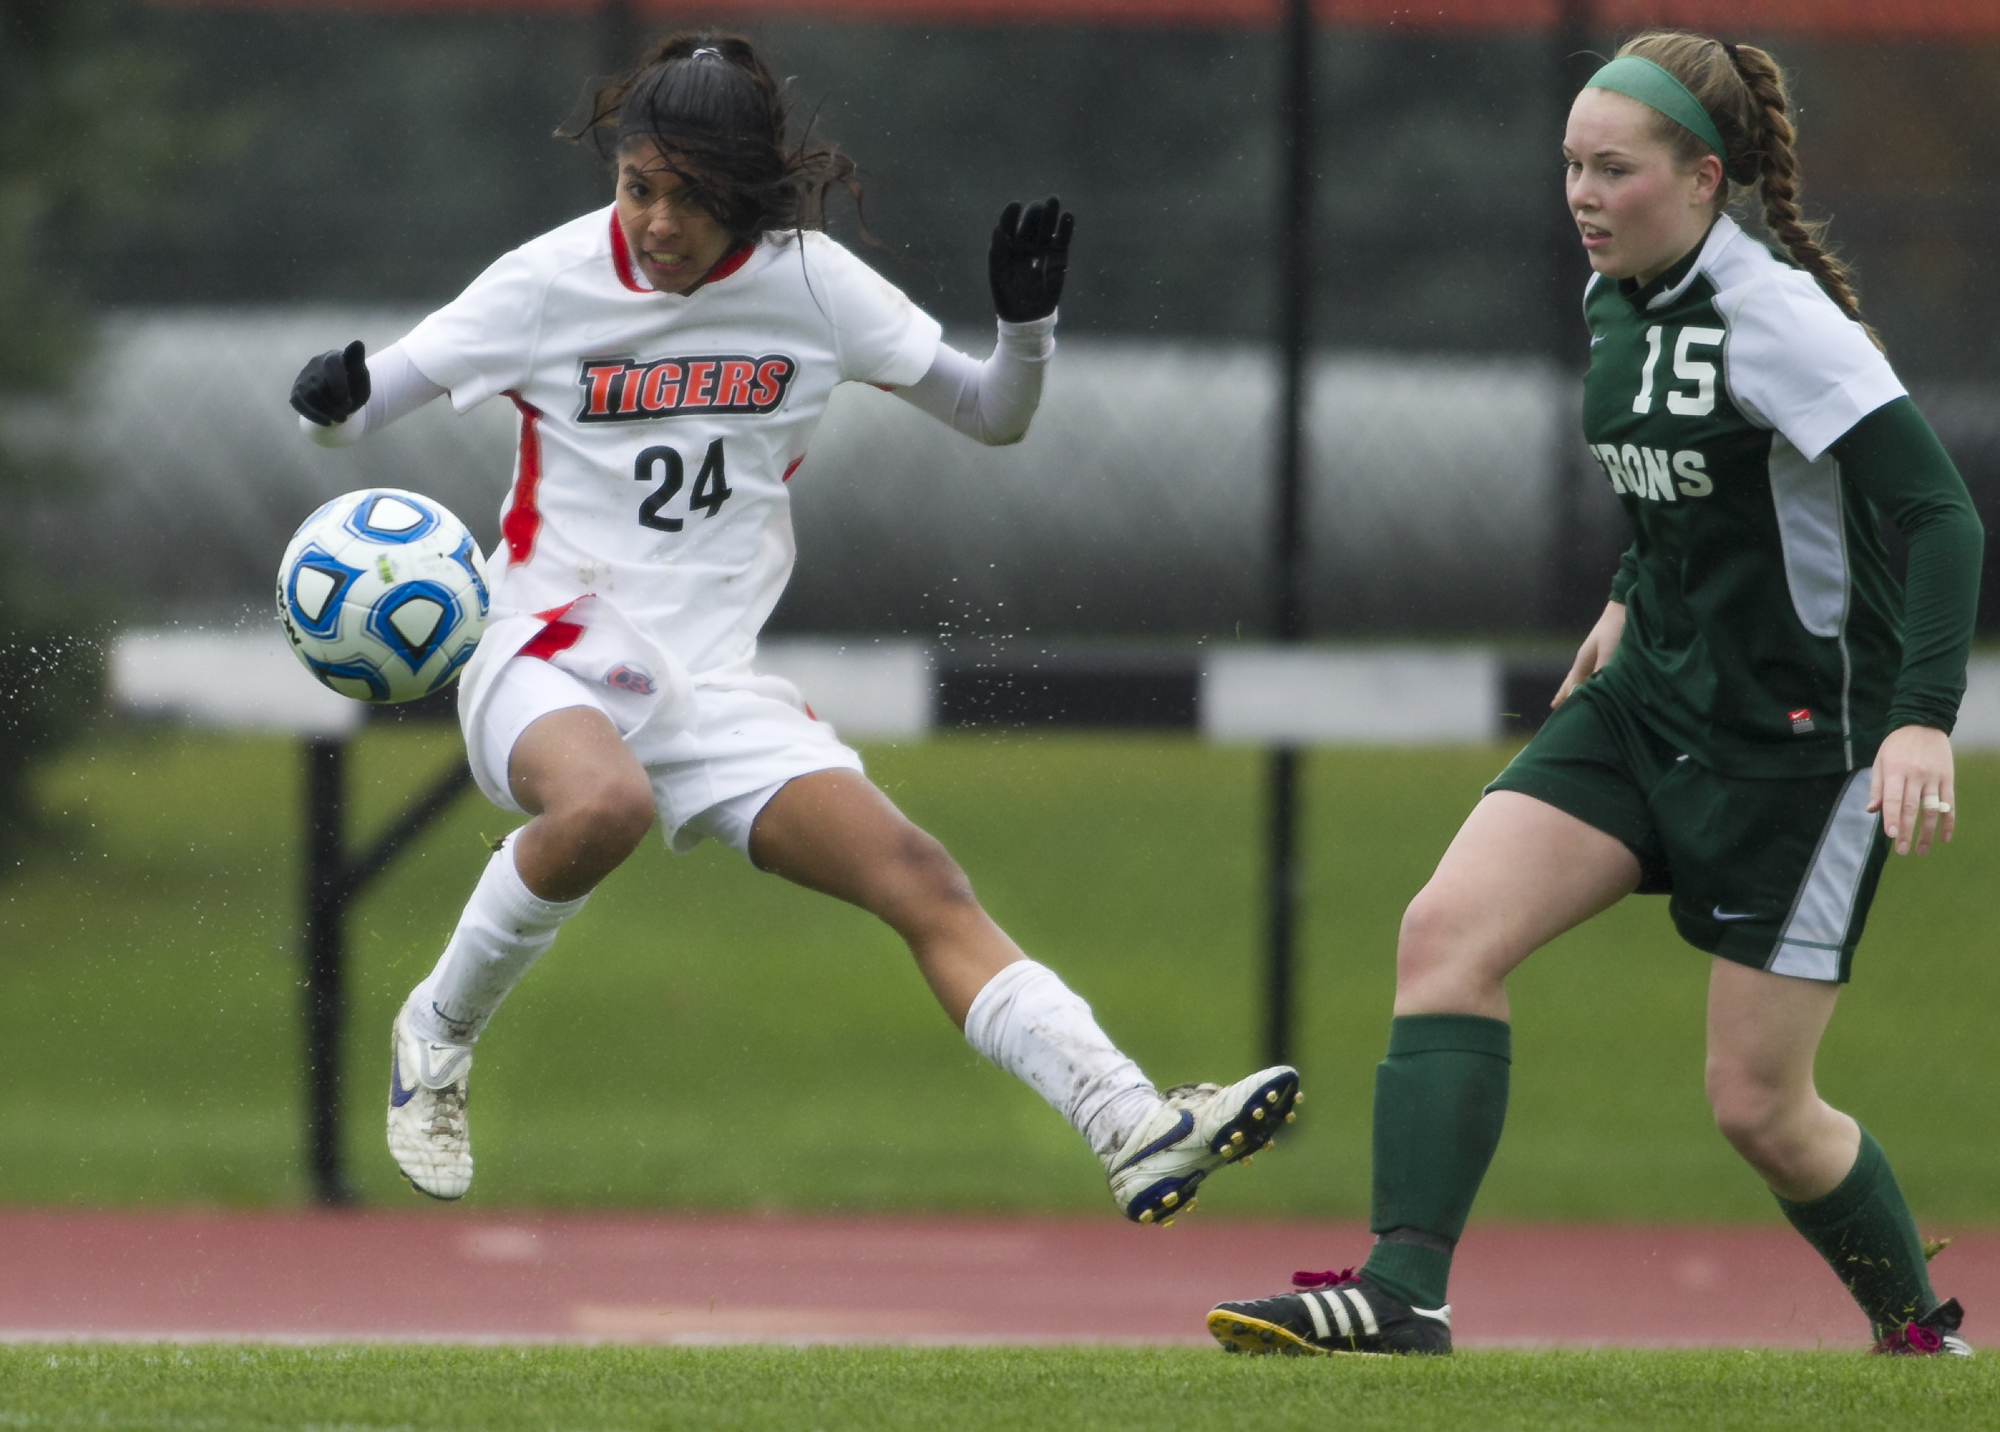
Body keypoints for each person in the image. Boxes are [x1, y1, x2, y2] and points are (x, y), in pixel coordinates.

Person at [288, 33, 1298, 1224]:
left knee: (919, 877)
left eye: (691, 197)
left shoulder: (813, 285)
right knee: (600, 807)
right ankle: (439, 1028)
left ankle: (1129, 1122)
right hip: (544, 638)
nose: (657, 221)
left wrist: (1026, 329)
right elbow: (356, 415)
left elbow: (990, 416)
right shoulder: (548, 280)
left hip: (708, 682)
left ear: (751, 199)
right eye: (636, 186)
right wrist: (331, 401)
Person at [1209, 30, 1981, 1356]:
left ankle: (1917, 1335)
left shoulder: (1775, 317)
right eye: (1568, 164)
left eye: (1611, 168)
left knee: (1758, 1105)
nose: (1579, 193)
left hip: (1798, 753)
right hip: (1645, 707)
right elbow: (1682, 499)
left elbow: (1942, 515)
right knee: (1445, 935)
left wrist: (1921, 717)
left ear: (1703, 177)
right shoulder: (1611, 297)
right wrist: (1627, 599)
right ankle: (1403, 1297)